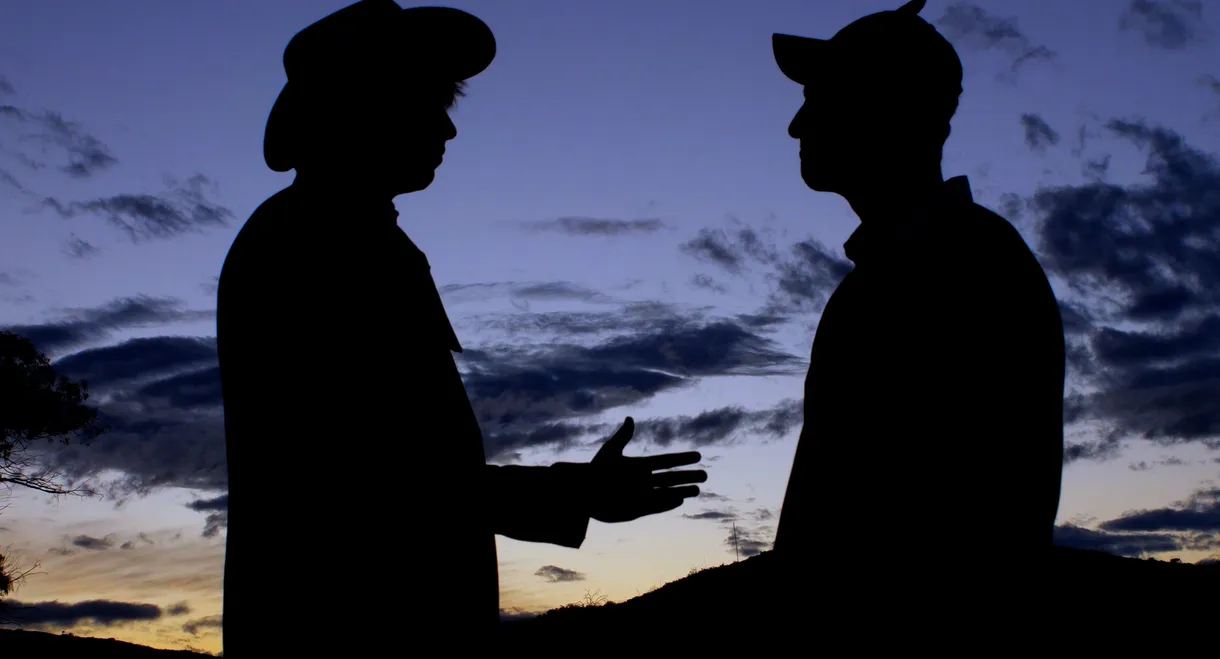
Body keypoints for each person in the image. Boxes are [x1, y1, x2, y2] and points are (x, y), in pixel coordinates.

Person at [215, 1, 706, 653]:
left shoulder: (347, 238)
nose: (447, 130)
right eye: (425, 98)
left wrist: (572, 493)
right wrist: (574, 492)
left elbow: (401, 471)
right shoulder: (314, 245)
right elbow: (375, 482)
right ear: (364, 105)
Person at [768, 0, 1066, 621]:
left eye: (819, 96)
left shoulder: (966, 268)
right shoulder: (899, 270)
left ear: (882, 107)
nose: (797, 125)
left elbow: (956, 531)